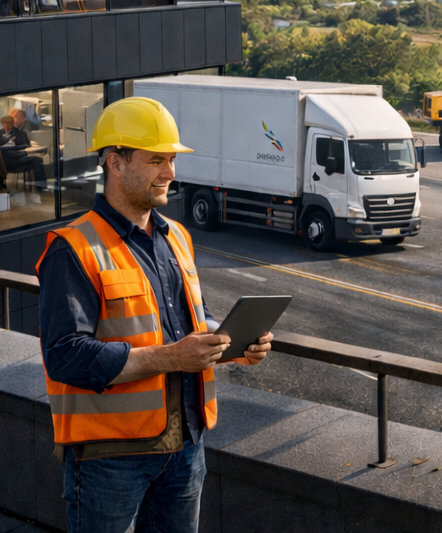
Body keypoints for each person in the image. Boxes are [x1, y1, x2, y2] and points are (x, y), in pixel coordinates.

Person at [36, 97, 273, 533]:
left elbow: (187, 325)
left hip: (185, 447)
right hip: (111, 458)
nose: (170, 173)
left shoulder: (176, 236)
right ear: (115, 163)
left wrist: (232, 343)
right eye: (156, 160)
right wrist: (169, 358)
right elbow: (65, 355)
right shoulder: (73, 248)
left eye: (171, 160)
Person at [0, 113, 45, 203]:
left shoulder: (19, 133)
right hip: (10, 162)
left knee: (37, 160)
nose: (4, 126)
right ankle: (41, 187)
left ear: (11, 124)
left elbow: (27, 145)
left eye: (5, 124)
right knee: (36, 160)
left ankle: (41, 186)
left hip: (16, 160)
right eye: (3, 124)